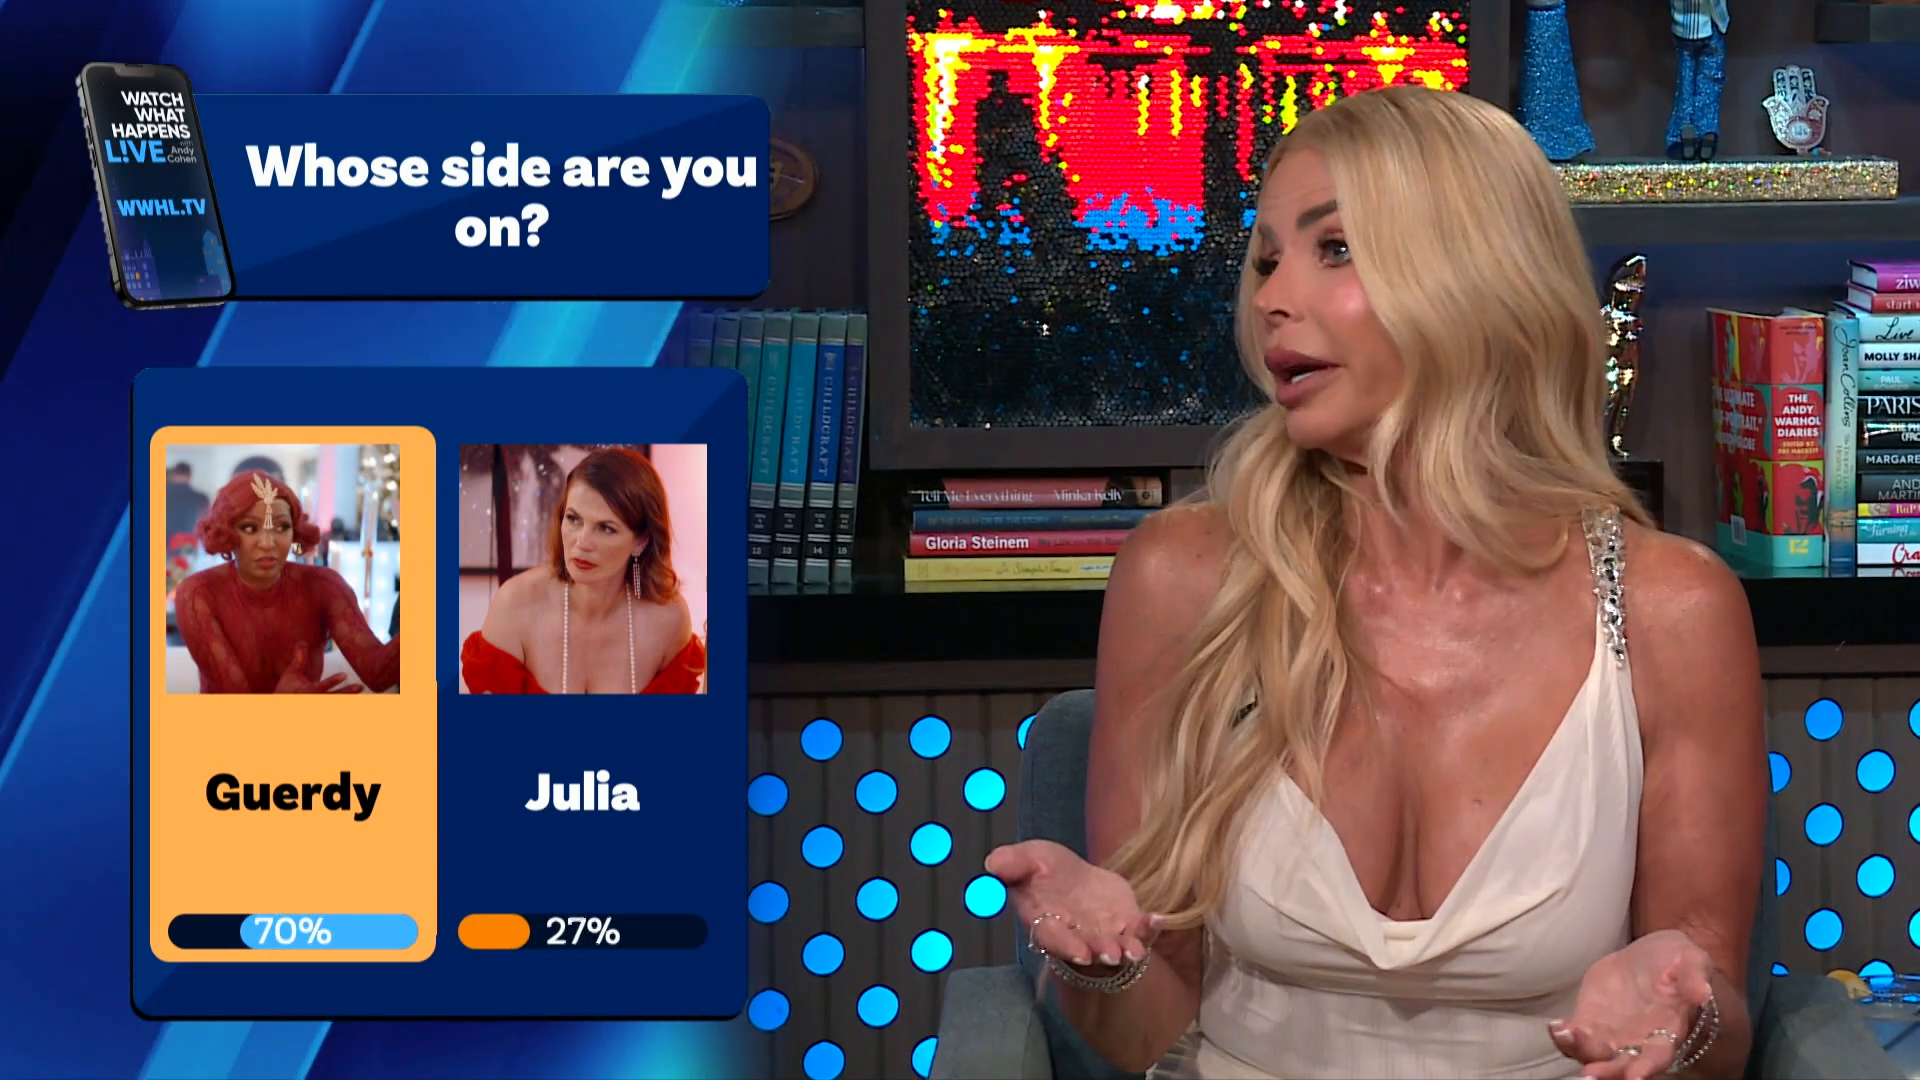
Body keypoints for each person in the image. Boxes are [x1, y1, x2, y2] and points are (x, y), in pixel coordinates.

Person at [986, 86, 1765, 1080]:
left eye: (1336, 248)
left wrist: (1682, 1019)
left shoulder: (1670, 609)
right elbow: (1143, 1034)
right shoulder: (1185, 578)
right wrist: (1101, 965)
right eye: (1266, 259)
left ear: (1474, 273)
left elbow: (1714, 1034)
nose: (1271, 298)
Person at [461, 447, 705, 694]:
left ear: (641, 541)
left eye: (606, 528)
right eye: (574, 519)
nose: (582, 543)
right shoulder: (516, 604)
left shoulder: (670, 620)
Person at [173, 470, 401, 694]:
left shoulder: (324, 586)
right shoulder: (197, 593)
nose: (268, 543)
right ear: (226, 533)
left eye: (282, 527)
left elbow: (379, 674)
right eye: (250, 528)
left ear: (295, 532)